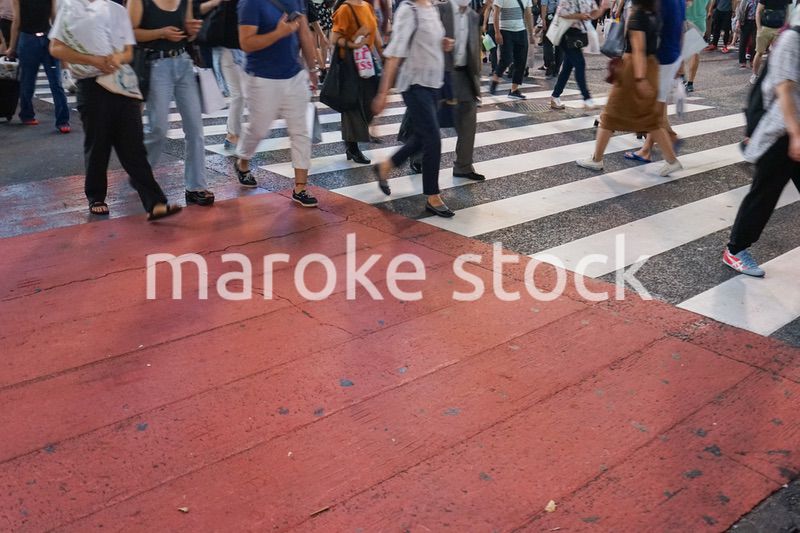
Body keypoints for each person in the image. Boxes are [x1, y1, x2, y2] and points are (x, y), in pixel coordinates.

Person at [48, 0, 181, 220]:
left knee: (133, 146)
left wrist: (117, 58)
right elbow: (56, 47)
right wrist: (92, 59)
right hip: (90, 83)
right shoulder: (70, 7)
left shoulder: (118, 10)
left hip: (121, 83)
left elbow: (128, 51)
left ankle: (155, 202)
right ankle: (96, 196)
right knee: (98, 143)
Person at [723, 26, 800, 276]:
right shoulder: (793, 38)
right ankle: (735, 250)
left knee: (765, 191)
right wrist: (795, 134)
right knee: (765, 192)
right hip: (781, 133)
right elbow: (784, 88)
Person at [577, 0, 682, 176]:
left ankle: (596, 159)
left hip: (633, 71)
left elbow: (638, 50)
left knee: (609, 115)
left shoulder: (637, 17)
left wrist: (640, 80)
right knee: (651, 119)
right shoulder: (652, 14)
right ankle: (671, 160)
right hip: (651, 68)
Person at [372, 0, 455, 217]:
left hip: (434, 82)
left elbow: (428, 41)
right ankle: (432, 195)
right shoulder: (408, 11)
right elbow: (394, 55)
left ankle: (385, 166)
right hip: (415, 85)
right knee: (433, 138)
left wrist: (442, 43)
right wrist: (383, 93)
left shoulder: (432, 8)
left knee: (421, 136)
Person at [234, 0, 320, 207]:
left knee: (300, 131)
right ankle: (243, 161)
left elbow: (304, 33)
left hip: (294, 74)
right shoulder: (250, 4)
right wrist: (279, 33)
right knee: (259, 129)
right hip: (261, 77)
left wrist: (312, 68)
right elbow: (246, 42)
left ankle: (300, 187)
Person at [129, 0, 216, 207]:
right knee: (158, 127)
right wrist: (160, 33)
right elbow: (131, 33)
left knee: (195, 128)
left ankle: (196, 186)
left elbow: (188, 33)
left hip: (184, 63)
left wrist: (192, 31)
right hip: (156, 64)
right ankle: (141, 174)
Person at [410, 0, 484, 181]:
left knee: (468, 119)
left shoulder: (473, 16)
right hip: (440, 74)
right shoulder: (439, 10)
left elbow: (473, 48)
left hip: (464, 74)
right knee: (430, 118)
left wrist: (476, 75)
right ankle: (417, 157)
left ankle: (463, 166)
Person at [625, 0, 685, 163]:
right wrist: (681, 60)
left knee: (654, 109)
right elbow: (682, 29)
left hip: (660, 58)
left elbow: (651, 29)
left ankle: (670, 138)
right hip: (673, 56)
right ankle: (647, 149)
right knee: (658, 106)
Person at [6, 0, 70, 132]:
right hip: (46, 38)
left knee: (27, 81)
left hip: (28, 39)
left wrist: (11, 48)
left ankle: (27, 115)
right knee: (55, 82)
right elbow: (54, 16)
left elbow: (17, 21)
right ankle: (63, 121)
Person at [330, 0, 382, 165]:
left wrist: (384, 53)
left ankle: (350, 141)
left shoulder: (367, 7)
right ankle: (352, 147)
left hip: (366, 62)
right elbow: (334, 37)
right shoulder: (345, 9)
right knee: (352, 104)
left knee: (369, 103)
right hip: (350, 64)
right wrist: (354, 44)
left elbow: (375, 35)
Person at [197, 0, 245, 152]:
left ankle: (234, 133)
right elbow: (196, 9)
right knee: (239, 95)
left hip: (242, 48)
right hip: (227, 49)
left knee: (243, 94)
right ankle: (232, 135)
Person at [549, 0, 607, 110]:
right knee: (580, 64)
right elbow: (561, 13)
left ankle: (555, 96)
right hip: (566, 34)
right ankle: (586, 98)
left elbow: (592, 15)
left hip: (577, 35)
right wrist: (580, 15)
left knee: (568, 66)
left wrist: (602, 9)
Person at [489, 0, 534, 98]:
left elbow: (528, 14)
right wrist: (497, 32)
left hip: (521, 31)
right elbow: (496, 13)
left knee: (521, 61)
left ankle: (514, 89)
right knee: (506, 59)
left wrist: (531, 33)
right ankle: (496, 78)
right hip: (505, 31)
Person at [752, 0, 790, 83]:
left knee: (776, 53)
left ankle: (772, 75)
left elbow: (787, 12)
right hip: (765, 28)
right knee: (759, 52)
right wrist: (759, 28)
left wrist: (784, 27)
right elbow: (758, 12)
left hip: (779, 29)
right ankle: (754, 74)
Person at [684, 0, 709, 93]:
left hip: (685, 20)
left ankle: (682, 76)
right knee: (695, 53)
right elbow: (708, 6)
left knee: (679, 50)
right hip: (700, 22)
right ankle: (690, 83)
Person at [540, 0, 562, 78]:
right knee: (559, 44)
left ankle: (550, 63)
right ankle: (557, 68)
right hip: (562, 17)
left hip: (550, 17)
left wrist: (543, 20)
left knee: (547, 42)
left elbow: (544, 5)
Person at [736, 0, 757, 68]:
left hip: (755, 23)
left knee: (754, 42)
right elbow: (740, 10)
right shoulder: (745, 0)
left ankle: (752, 60)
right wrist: (738, 22)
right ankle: (742, 61)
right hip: (745, 22)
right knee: (743, 42)